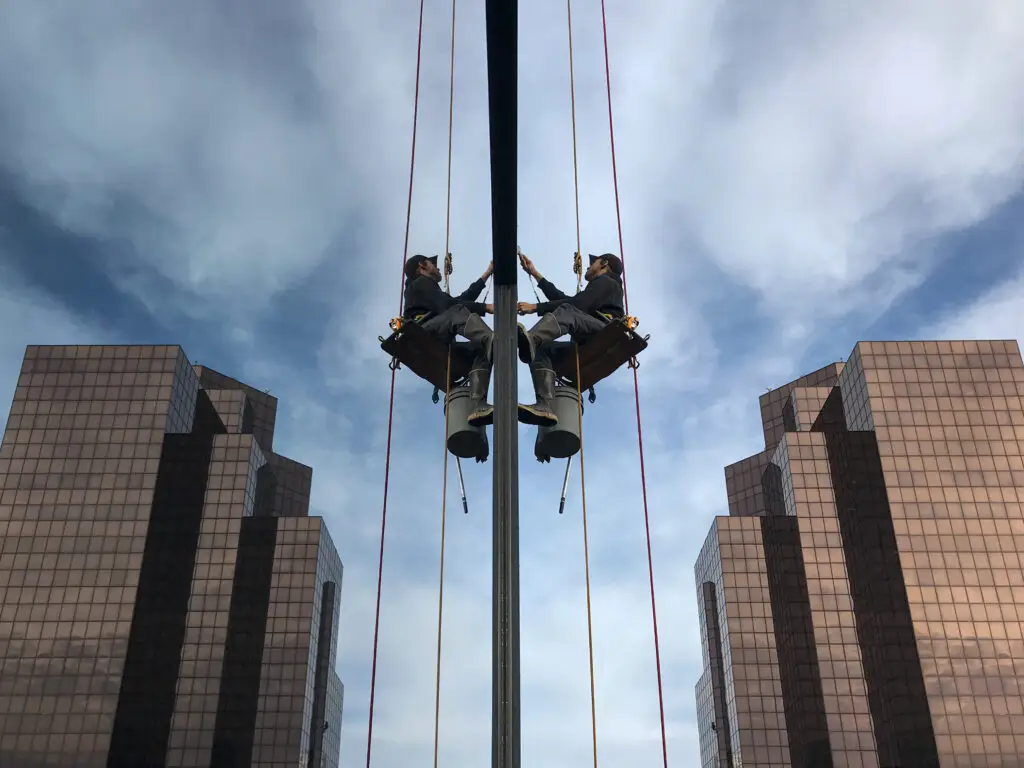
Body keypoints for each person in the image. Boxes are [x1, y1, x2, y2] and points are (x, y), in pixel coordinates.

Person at [515, 251, 625, 426]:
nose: (588, 267)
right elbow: (566, 300)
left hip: (605, 331)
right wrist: (535, 274)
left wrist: (535, 307)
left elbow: (575, 306)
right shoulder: (601, 287)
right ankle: (544, 405)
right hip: (590, 337)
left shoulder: (607, 282)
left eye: (593, 262)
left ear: (604, 264)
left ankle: (532, 340)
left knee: (566, 311)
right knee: (541, 350)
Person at [403, 254, 495, 426]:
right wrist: (485, 308)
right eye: (432, 264)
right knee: (457, 312)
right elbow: (451, 306)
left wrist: (486, 274)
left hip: (434, 336)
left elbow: (459, 301)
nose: (437, 268)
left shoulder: (429, 290)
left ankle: (478, 405)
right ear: (422, 266)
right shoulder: (420, 284)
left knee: (481, 351)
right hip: (422, 333)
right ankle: (494, 341)